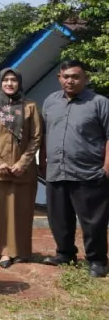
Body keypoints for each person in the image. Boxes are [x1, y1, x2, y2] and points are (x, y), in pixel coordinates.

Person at [41, 59, 109, 278]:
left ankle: (97, 260)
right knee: (59, 218)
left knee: (92, 220)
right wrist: (42, 161)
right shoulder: (50, 102)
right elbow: (44, 135)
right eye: (66, 76)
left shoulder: (99, 103)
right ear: (59, 78)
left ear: (85, 78)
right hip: (56, 171)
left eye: (75, 76)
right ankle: (65, 253)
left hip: (88, 172)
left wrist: (107, 167)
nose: (70, 80)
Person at [0, 67, 40, 268]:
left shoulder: (29, 106)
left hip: (22, 170)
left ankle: (18, 251)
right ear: (0, 83)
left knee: (20, 211)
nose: (10, 84)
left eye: (14, 80)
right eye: (6, 80)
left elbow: (36, 137)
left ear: (19, 82)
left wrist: (22, 163)